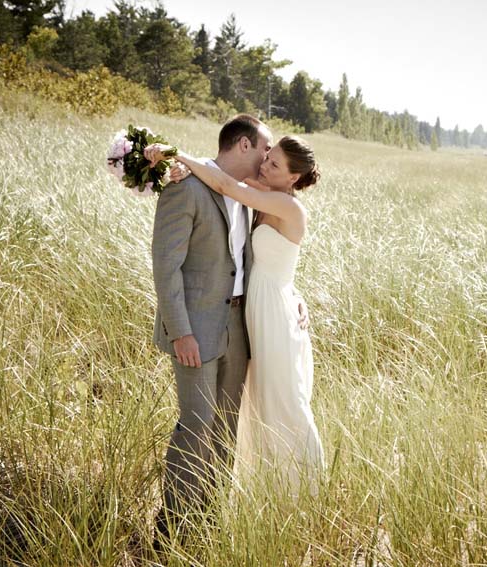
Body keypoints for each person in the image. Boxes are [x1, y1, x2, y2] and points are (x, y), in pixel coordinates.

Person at [146, 114, 309, 538]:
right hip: (196, 329)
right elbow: (166, 268)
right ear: (243, 146)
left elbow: (270, 262)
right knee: (196, 423)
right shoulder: (186, 185)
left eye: (273, 158)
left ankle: (209, 521)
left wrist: (294, 299)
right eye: (264, 151)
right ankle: (174, 527)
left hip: (242, 326)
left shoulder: (254, 196)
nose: (266, 161)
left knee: (226, 427)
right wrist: (180, 331)